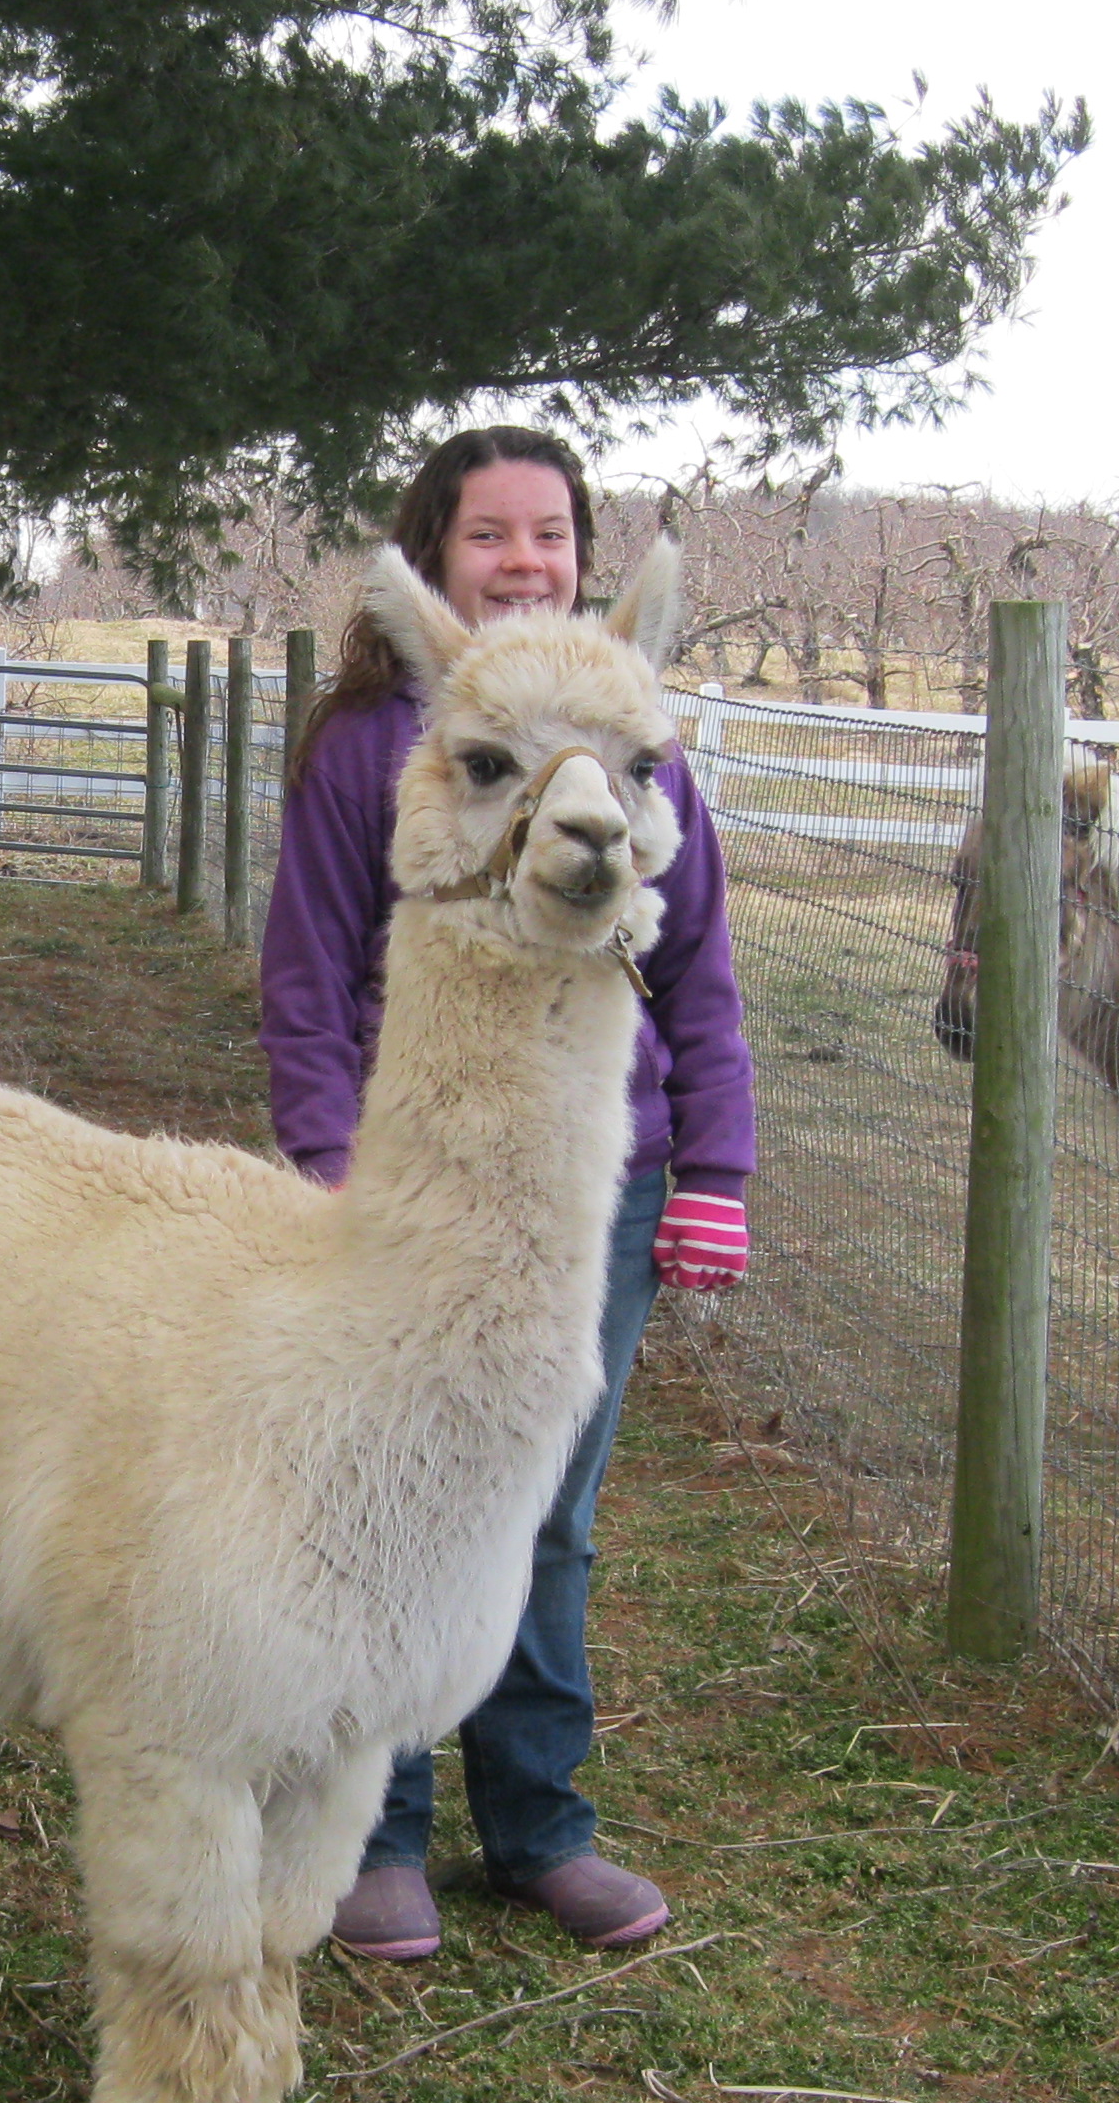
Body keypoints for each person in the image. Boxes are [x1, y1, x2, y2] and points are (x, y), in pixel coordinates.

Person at [257, 425, 755, 1957]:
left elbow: (698, 977)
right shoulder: (373, 749)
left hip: (602, 1179)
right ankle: (376, 1830)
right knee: (394, 1502)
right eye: (491, 534)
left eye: (550, 533)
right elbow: (310, 974)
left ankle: (539, 1822)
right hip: (425, 1175)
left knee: (550, 1516)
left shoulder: (626, 754)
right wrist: (339, 1161)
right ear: (442, 548)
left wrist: (714, 1165)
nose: (525, 558)